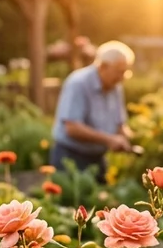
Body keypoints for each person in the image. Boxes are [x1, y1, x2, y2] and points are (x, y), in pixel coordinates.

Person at [50, 41, 135, 178]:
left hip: (97, 158)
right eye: (119, 72)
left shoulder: (115, 86)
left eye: (125, 72)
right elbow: (72, 128)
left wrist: (127, 138)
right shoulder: (78, 83)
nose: (122, 77)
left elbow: (119, 124)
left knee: (100, 198)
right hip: (70, 156)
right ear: (103, 66)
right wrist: (109, 140)